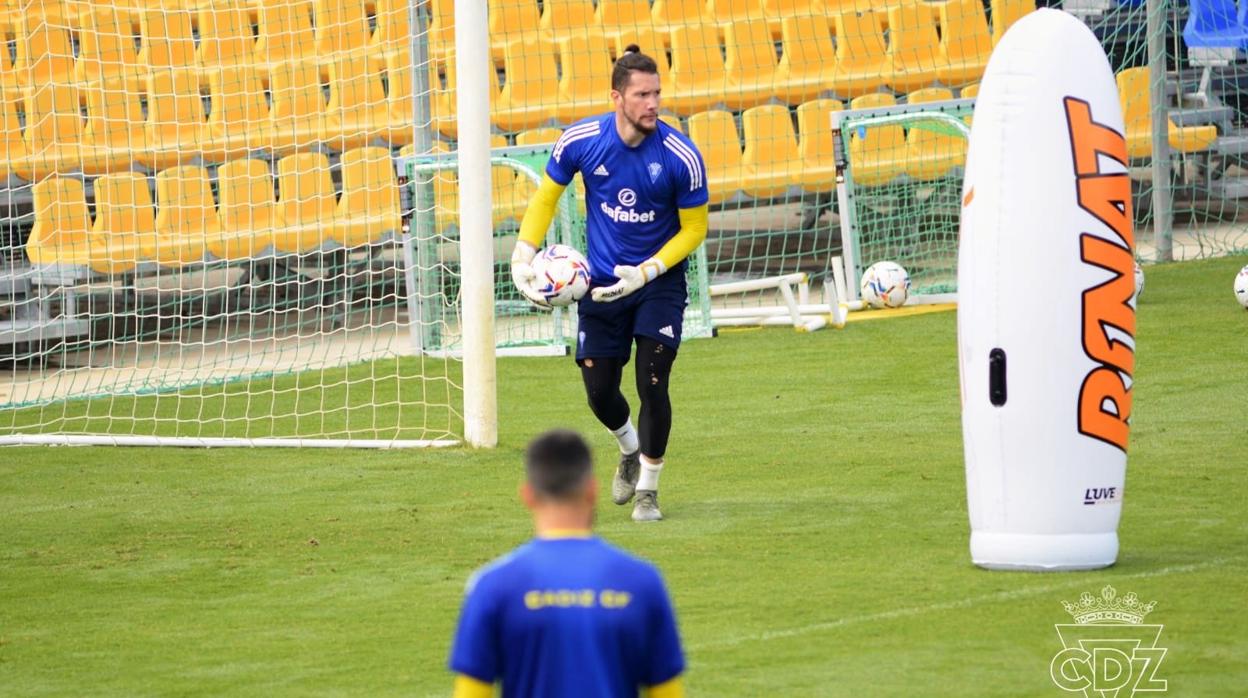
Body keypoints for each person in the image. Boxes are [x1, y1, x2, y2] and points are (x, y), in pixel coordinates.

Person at [510, 46, 710, 523]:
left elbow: (695, 229)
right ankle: (628, 447)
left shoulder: (681, 155)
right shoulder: (582, 140)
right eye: (642, 94)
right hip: (600, 284)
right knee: (600, 392)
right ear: (616, 97)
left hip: (657, 284)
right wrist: (523, 253)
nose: (653, 104)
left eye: (657, 93)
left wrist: (646, 272)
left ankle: (648, 490)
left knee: (652, 382)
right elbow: (545, 199)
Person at [448, 429, 686, 698]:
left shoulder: (492, 587)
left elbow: (471, 692)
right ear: (592, 491)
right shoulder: (642, 582)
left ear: (527, 495)